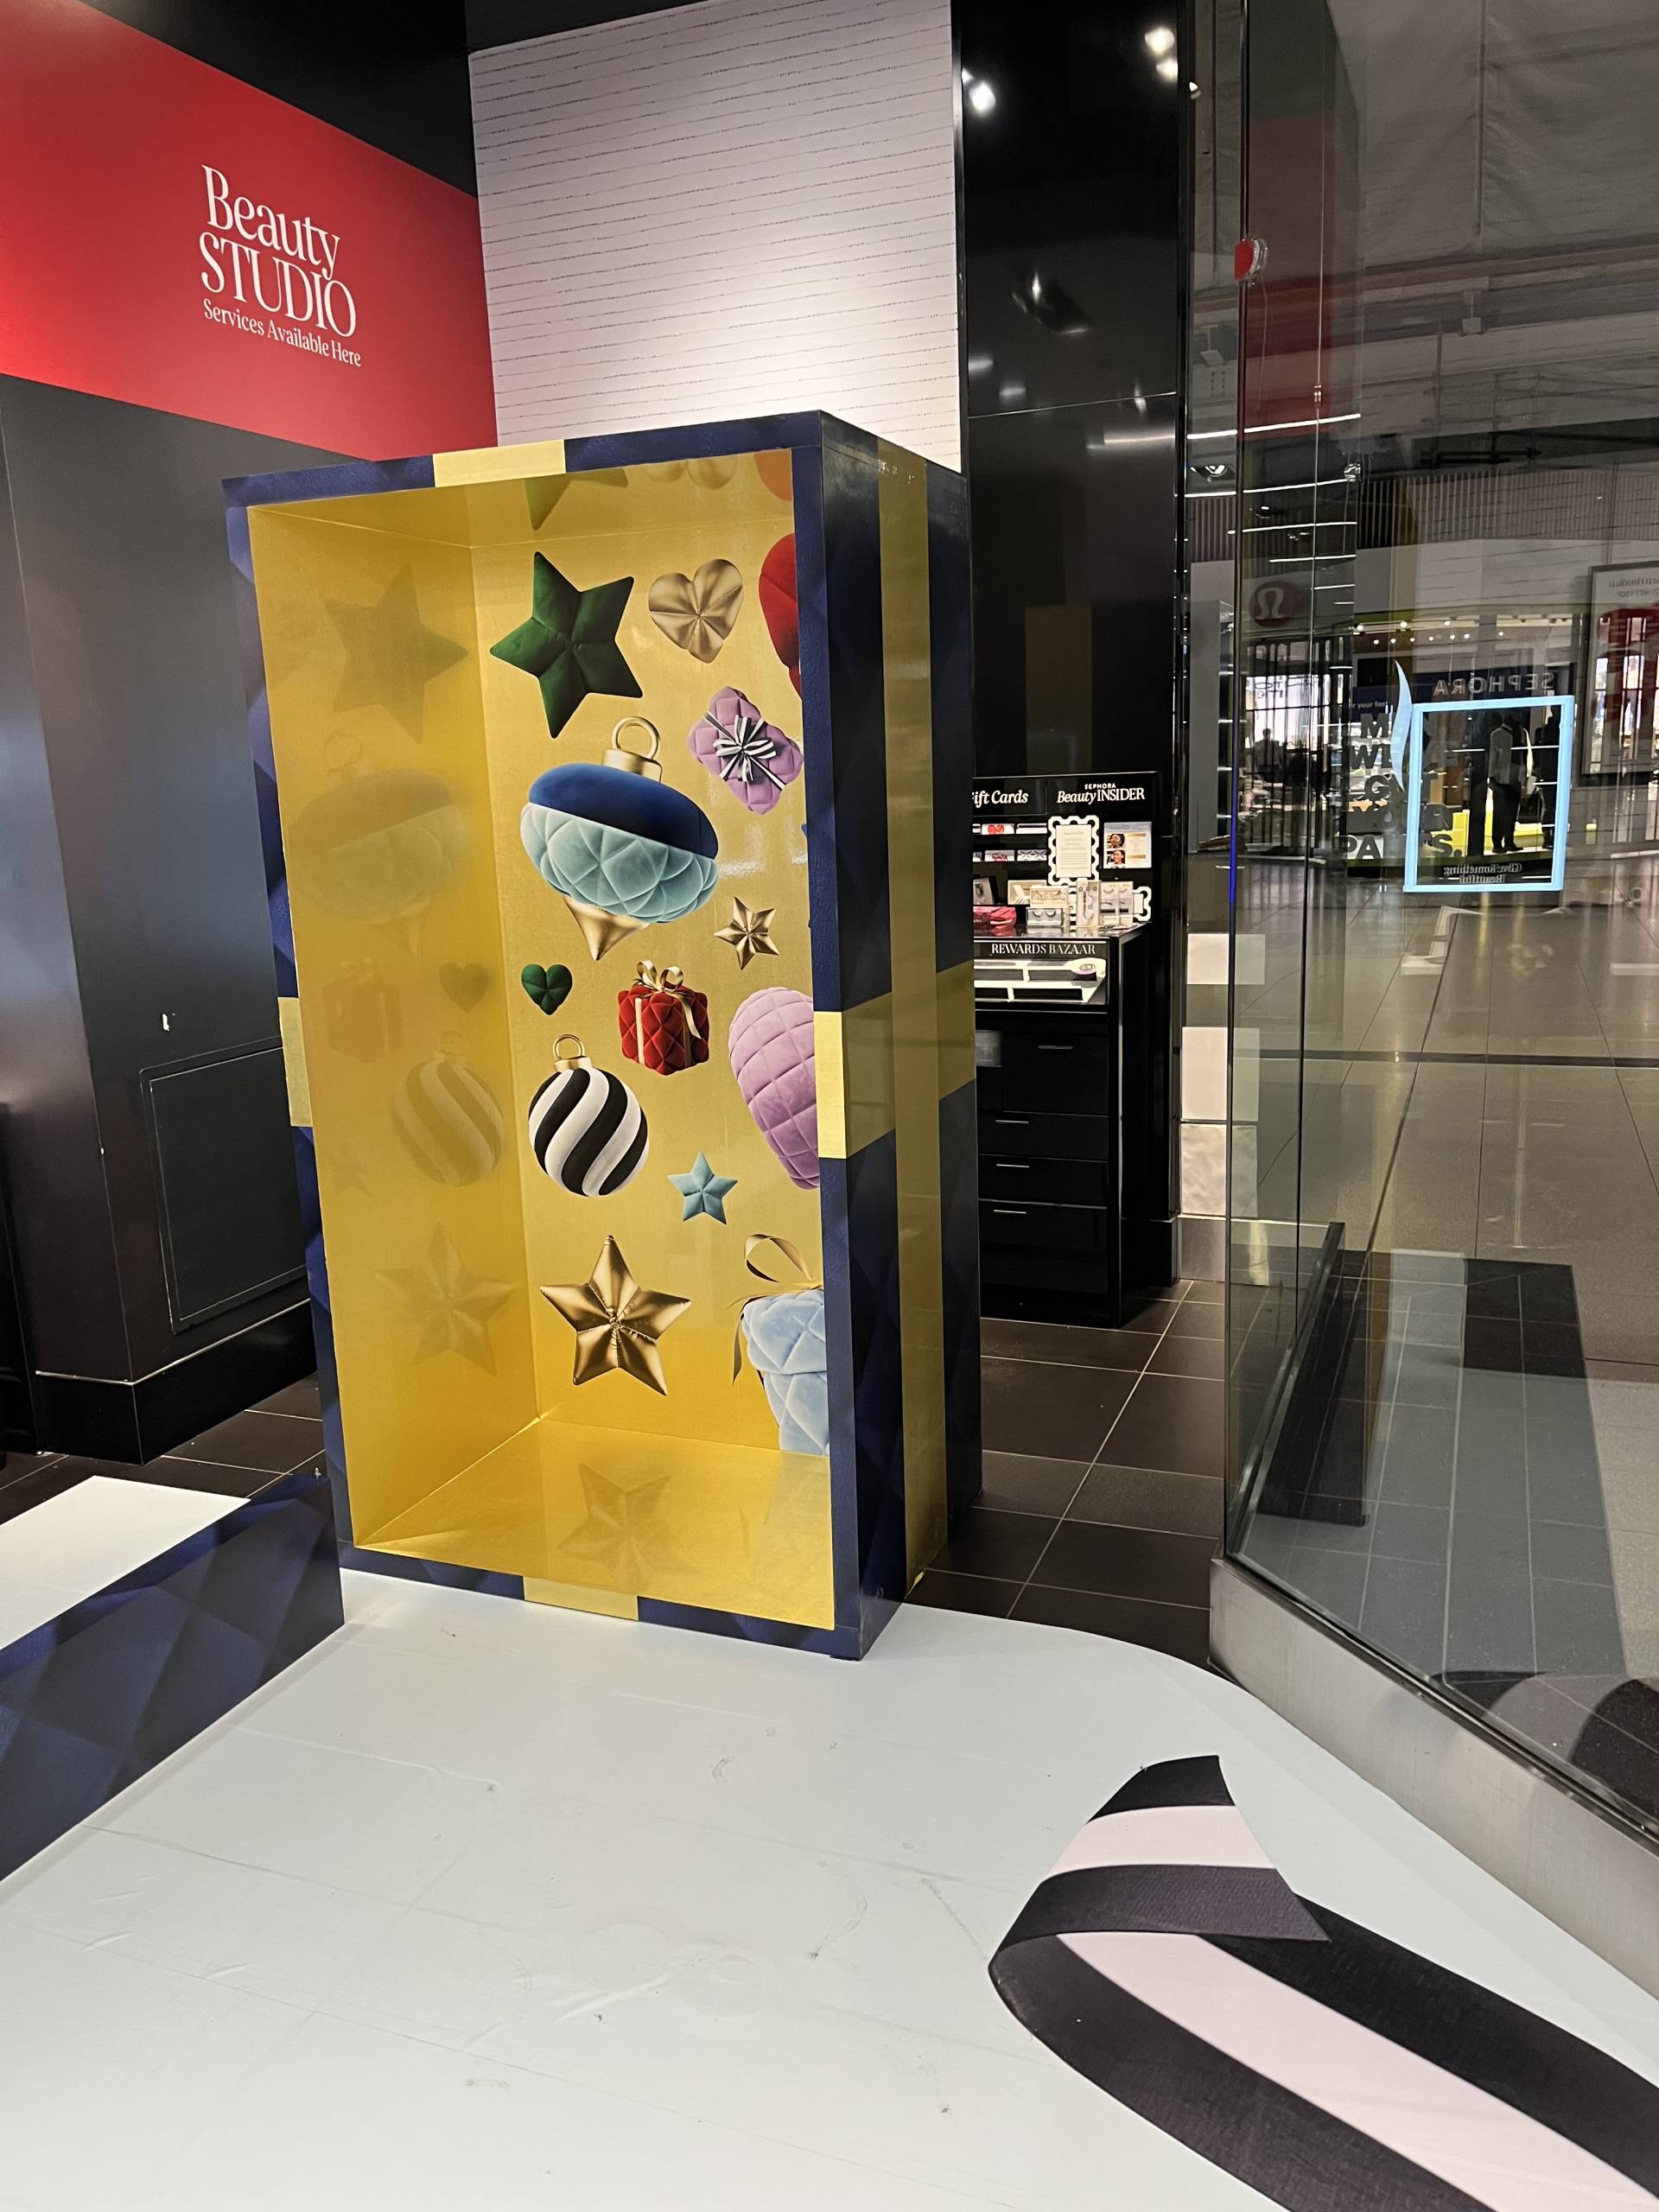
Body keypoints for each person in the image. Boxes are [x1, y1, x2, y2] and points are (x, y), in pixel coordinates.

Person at [1486, 711, 1529, 855]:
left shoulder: (1522, 733)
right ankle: (1498, 843)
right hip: (1501, 779)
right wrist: (1491, 776)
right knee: (1499, 812)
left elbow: (1525, 755)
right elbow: (1493, 757)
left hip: (1515, 778)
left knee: (1512, 812)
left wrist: (1525, 774)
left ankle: (1509, 841)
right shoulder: (1497, 734)